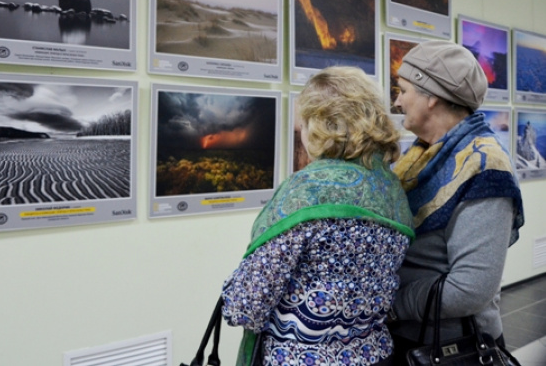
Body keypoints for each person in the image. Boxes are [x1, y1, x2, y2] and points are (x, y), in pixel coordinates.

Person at [221, 66, 415, 366]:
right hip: (376, 357)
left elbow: (246, 305)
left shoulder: (306, 191)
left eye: (306, 121)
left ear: (323, 124)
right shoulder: (392, 189)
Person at [388, 40, 525, 358]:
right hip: (409, 337)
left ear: (431, 96)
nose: (397, 101)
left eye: (403, 90)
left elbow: (470, 290)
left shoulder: (484, 166)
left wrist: (393, 305)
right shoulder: (422, 154)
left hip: (449, 349)